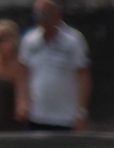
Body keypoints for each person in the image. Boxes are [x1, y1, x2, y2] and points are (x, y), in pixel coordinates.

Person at [17, 0, 90, 132]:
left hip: (65, 118)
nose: (40, 20)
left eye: (44, 15)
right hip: (36, 116)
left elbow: (83, 77)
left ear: (57, 15)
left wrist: (81, 112)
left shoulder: (74, 40)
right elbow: (23, 73)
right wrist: (22, 100)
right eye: (37, 16)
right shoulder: (29, 40)